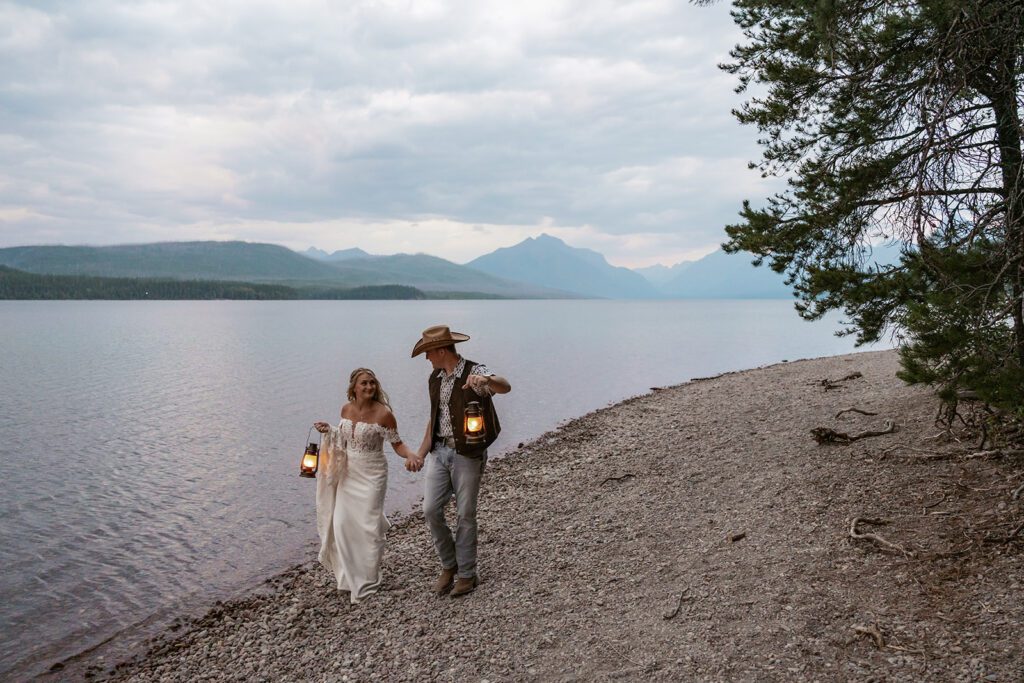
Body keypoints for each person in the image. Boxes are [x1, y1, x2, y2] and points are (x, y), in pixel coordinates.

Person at [407, 325, 511, 597]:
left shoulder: (475, 371)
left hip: (468, 453)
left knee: (466, 513)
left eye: (428, 353)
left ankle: (467, 573)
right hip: (438, 452)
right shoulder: (435, 378)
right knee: (430, 510)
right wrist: (420, 452)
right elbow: (435, 418)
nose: (427, 359)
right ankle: (449, 565)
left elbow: (505, 386)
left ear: (441, 350)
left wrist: (486, 382)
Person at [313, 368, 418, 603]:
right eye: (364, 383)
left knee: (367, 528)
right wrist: (328, 430)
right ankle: (347, 578)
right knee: (340, 524)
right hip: (348, 473)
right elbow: (343, 439)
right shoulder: (345, 409)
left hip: (372, 474)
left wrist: (411, 455)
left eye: (372, 383)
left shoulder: (384, 414)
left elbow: (398, 444)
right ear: (354, 387)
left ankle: (368, 580)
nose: (369, 387)